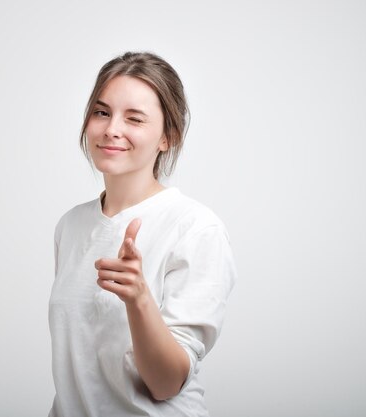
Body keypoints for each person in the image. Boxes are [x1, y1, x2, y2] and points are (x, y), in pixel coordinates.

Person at [48, 51, 237, 417]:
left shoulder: (196, 228)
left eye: (134, 118)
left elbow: (166, 384)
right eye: (102, 112)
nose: (111, 129)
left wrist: (139, 300)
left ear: (167, 137)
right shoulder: (71, 225)